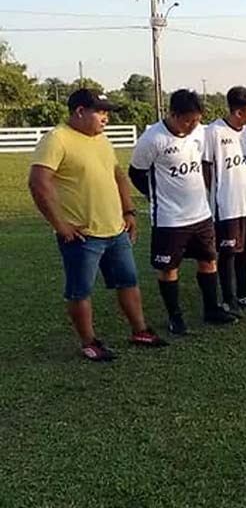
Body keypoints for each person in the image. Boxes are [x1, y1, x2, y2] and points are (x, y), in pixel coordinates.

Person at [29, 89, 166, 361]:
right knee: (80, 290)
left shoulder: (102, 140)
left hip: (115, 229)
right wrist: (60, 225)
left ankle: (140, 330)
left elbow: (118, 176)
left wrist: (128, 211)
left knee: (128, 281)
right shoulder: (57, 139)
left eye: (107, 113)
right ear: (80, 111)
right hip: (82, 235)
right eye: (100, 112)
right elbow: (38, 183)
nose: (105, 118)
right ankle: (89, 342)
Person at [129, 89, 236, 334]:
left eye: (196, 120)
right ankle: (175, 317)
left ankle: (212, 308)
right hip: (170, 218)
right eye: (187, 120)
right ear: (173, 114)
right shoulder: (152, 139)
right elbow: (136, 172)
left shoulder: (199, 132)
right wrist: (153, 195)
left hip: (201, 214)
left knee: (209, 260)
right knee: (169, 267)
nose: (192, 125)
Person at [202, 86, 246, 316]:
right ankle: (229, 299)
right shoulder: (214, 132)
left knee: (245, 249)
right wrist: (213, 195)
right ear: (238, 112)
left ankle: (243, 294)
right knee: (228, 251)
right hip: (226, 203)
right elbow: (206, 167)